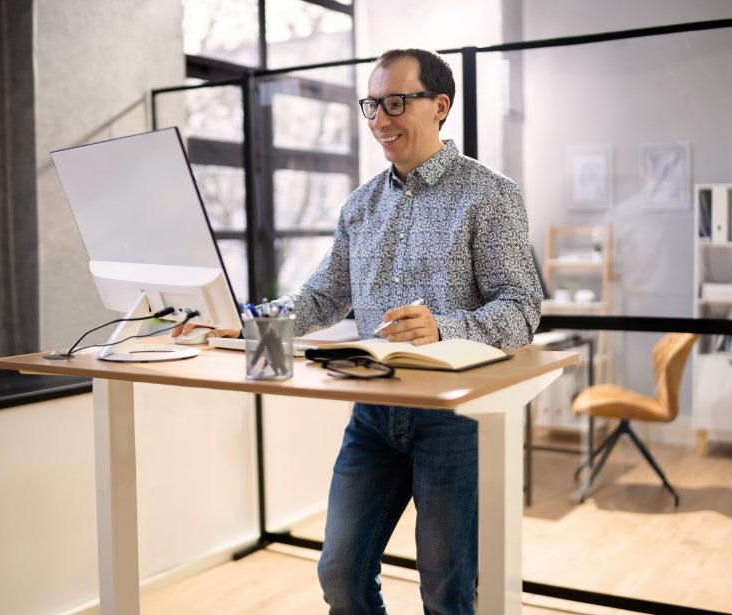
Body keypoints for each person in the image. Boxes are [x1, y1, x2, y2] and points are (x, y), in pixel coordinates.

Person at [175, 48, 541, 615]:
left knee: (446, 592)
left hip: (454, 421)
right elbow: (320, 299)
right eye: (372, 104)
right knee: (341, 576)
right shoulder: (360, 205)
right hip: (371, 413)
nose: (379, 119)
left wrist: (444, 328)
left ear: (440, 106)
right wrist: (242, 325)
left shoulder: (489, 195)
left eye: (396, 102)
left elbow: (521, 310)